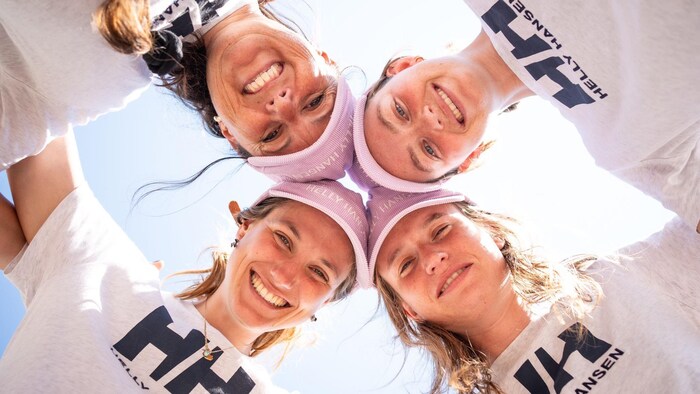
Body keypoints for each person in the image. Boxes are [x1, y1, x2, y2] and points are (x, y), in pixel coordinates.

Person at [0, 129, 370, 391]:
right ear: (245, 226)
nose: (285, 276)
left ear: (322, 305)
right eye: (284, 239)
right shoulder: (107, 268)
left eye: (319, 272)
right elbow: (34, 97)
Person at [350, 0, 700, 232]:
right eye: (428, 150)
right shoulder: (623, 142)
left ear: (403, 67)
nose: (428, 120)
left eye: (398, 110)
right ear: (470, 158)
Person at [364, 186, 700, 393]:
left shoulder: (623, 277)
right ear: (411, 311)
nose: (432, 258)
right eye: (405, 265)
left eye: (441, 230)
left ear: (492, 232)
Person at [1, 0, 355, 182]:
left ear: (230, 133)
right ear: (326, 59)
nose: (283, 106)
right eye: (316, 101)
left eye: (274, 133)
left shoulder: (99, 80)